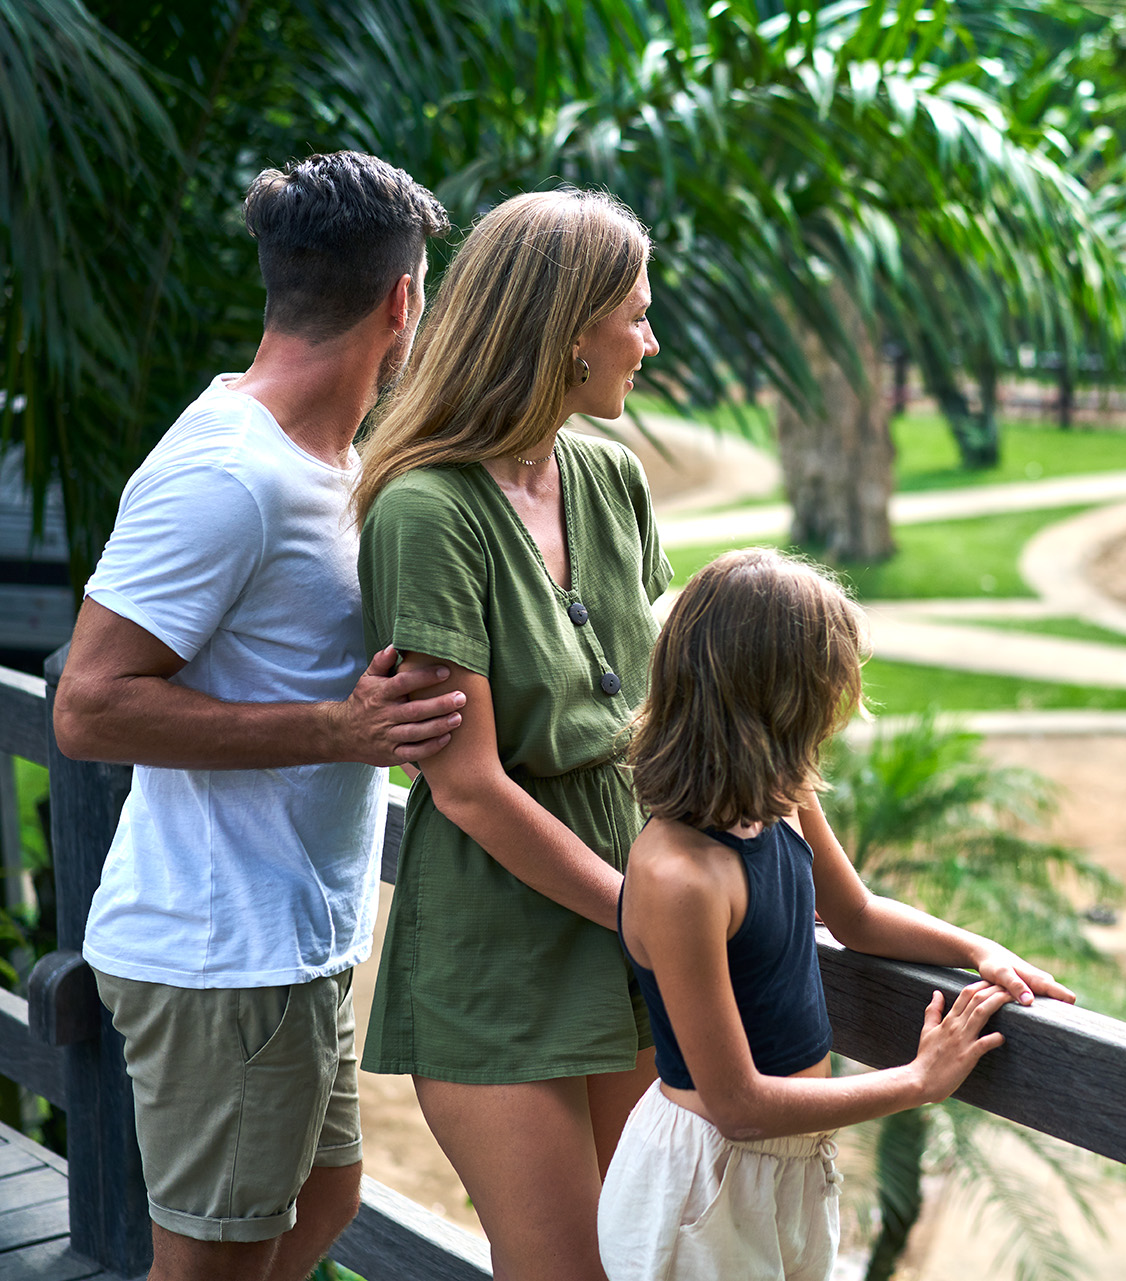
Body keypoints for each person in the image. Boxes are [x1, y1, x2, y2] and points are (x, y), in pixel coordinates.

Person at [50, 152, 461, 1281]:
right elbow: (88, 706)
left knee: (325, 1205)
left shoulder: (331, 459)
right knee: (209, 1268)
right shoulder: (228, 474)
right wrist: (339, 730)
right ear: (404, 299)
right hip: (216, 952)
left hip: (291, 945)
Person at [600, 548, 1076, 1281]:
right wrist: (919, 1079)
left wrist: (979, 946)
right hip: (708, 1177)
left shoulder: (780, 795)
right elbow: (737, 1104)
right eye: (826, 690)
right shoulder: (682, 875)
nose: (839, 709)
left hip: (790, 1159)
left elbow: (853, 914)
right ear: (773, 698)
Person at [351, 188, 668, 1281]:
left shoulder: (611, 477)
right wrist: (646, 915)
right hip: (503, 941)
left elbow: (656, 707)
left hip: (635, 917)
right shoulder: (425, 510)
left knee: (652, 1261)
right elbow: (473, 787)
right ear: (568, 330)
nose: (649, 338)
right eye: (634, 314)